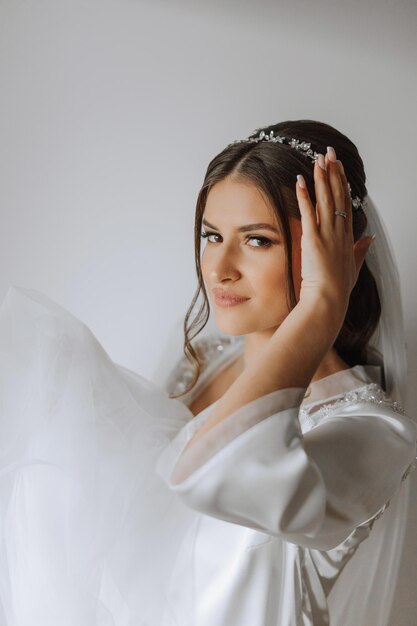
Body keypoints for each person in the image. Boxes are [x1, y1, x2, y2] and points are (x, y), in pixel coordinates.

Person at [0, 120, 415, 626]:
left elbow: (205, 473)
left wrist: (322, 305)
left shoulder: (374, 434)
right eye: (212, 235)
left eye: (259, 240)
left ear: (337, 255)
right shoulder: (205, 359)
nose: (219, 267)